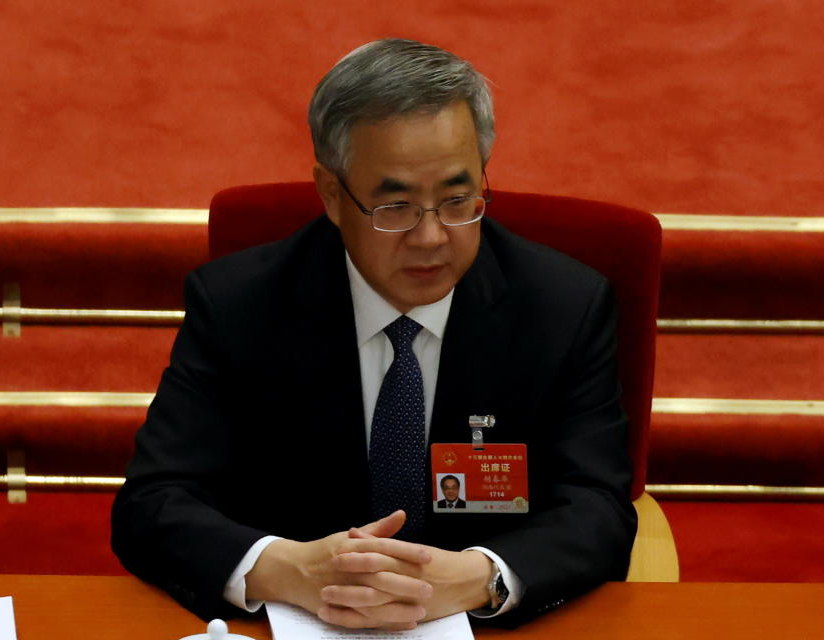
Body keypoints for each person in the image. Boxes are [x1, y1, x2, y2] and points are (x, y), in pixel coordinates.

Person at [111, 38, 636, 629]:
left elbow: (599, 510)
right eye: (397, 207)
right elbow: (152, 504)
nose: (432, 236)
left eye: (458, 199)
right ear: (333, 195)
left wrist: (478, 575)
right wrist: (288, 569)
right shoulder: (239, 306)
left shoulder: (562, 309)